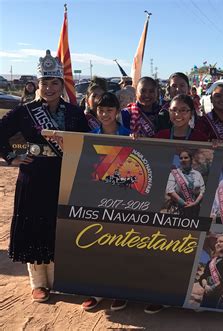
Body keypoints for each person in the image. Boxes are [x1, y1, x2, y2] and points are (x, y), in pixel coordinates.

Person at [0, 50, 89, 303]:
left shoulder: (73, 113)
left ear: (62, 85)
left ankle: (60, 278)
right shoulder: (25, 111)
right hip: (34, 175)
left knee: (59, 226)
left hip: (64, 176)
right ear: (37, 85)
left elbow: (87, 142)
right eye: (44, 83)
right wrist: (11, 156)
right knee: (34, 225)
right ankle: (38, 283)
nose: (49, 88)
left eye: (54, 83)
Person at [81, 92, 130, 312]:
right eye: (101, 110)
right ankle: (97, 292)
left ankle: (121, 292)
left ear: (117, 112)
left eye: (109, 110)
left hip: (124, 198)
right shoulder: (90, 137)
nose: (105, 114)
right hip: (99, 197)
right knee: (98, 243)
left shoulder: (130, 136)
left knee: (122, 245)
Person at [198, 234, 223, 309]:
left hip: (221, 299)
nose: (218, 243)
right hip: (207, 298)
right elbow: (203, 276)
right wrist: (205, 286)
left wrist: (212, 288)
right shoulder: (210, 262)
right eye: (217, 242)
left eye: (221, 241)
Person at [165, 150, 205, 217]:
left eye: (186, 158)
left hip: (194, 209)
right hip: (177, 209)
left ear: (191, 159)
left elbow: (202, 191)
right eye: (181, 158)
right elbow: (170, 190)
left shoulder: (197, 174)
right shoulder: (174, 173)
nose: (183, 160)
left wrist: (195, 203)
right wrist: (183, 203)